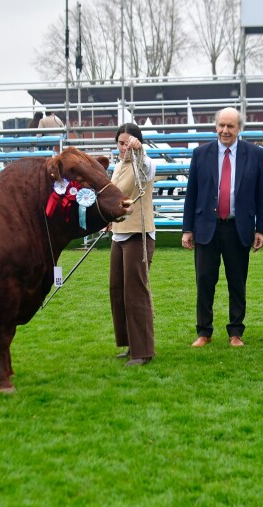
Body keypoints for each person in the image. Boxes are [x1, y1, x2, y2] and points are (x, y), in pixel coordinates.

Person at [181, 107, 263, 348]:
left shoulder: (254, 154)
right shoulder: (200, 153)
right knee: (205, 281)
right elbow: (192, 194)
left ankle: (236, 332)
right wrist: (187, 229)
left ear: (239, 128)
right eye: (221, 125)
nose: (225, 130)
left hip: (238, 228)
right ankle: (204, 332)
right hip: (206, 228)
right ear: (215, 126)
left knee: (237, 282)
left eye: (230, 126)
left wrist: (260, 229)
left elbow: (261, 195)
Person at [109, 123, 156, 366]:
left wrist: (140, 150)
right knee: (118, 291)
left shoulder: (145, 163)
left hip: (139, 233)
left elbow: (145, 169)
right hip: (118, 233)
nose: (124, 147)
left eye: (129, 142)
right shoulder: (118, 165)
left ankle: (143, 351)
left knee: (136, 292)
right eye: (121, 142)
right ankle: (130, 344)